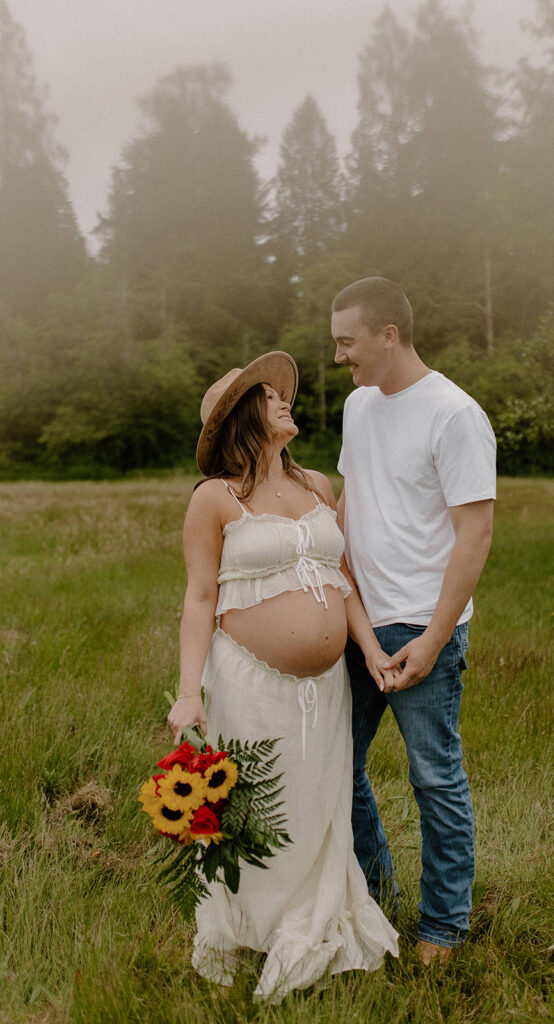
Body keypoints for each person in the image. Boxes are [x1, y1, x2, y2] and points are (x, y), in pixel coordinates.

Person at [167, 351, 398, 1002]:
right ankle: (247, 926)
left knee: (314, 802)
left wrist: (374, 652)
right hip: (247, 681)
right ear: (243, 415)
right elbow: (198, 598)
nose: (284, 401)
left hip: (324, 689)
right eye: (268, 397)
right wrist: (189, 693)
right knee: (251, 806)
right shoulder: (215, 498)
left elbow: (341, 582)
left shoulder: (317, 486)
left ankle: (306, 920)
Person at [331, 277, 496, 965]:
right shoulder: (356, 406)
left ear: (388, 335)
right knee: (335, 771)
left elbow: (475, 533)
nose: (339, 355)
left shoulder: (454, 414)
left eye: (347, 341)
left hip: (423, 629)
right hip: (360, 628)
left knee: (434, 778)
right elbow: (350, 503)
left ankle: (441, 929)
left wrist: (432, 639)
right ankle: (372, 899)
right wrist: (352, 621)